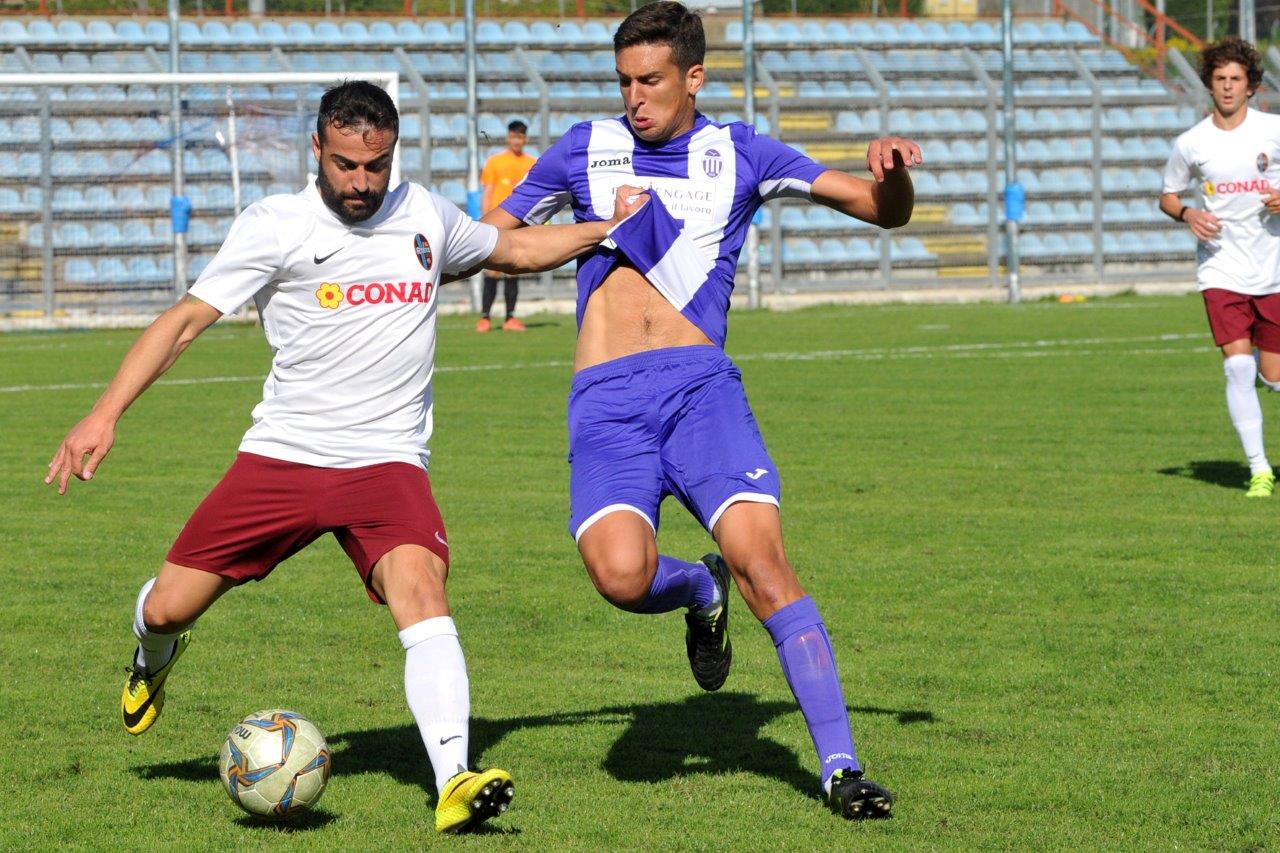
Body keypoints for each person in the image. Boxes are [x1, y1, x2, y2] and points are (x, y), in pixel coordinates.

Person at [43, 81, 645, 834]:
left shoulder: (424, 214)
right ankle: (153, 652)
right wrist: (104, 413)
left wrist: (605, 229)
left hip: (388, 463)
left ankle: (454, 780)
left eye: (376, 166)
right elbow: (185, 321)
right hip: (283, 458)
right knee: (168, 605)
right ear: (317, 151)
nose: (361, 182)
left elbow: (515, 248)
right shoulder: (276, 225)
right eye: (345, 165)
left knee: (422, 591)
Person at [482, 1, 919, 820]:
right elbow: (491, 242)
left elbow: (880, 208)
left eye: (650, 81)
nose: (634, 97)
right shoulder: (583, 148)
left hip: (699, 391)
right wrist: (597, 228)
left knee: (765, 563)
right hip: (606, 400)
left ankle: (841, 768)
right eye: (623, 81)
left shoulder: (743, 152)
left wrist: (894, 175)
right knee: (620, 576)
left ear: (693, 78)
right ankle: (697, 588)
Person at [1161, 36, 1280, 498]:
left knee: (1273, 376)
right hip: (1221, 268)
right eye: (1219, 78)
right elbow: (1168, 195)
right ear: (1209, 84)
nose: (1228, 86)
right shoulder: (1192, 142)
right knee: (1237, 369)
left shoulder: (1273, 130)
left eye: (1236, 79)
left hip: (1272, 268)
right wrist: (1188, 214)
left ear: (1251, 85)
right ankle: (1259, 470)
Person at [477, 120, 538, 332]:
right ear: (508, 137)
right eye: (513, 136)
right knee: (492, 270)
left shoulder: (532, 163)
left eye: (520, 137)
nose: (516, 141)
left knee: (513, 270)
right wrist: (485, 220)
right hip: (497, 223)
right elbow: (488, 193)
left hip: (519, 223)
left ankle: (510, 318)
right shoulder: (495, 162)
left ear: (525, 139)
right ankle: (485, 318)